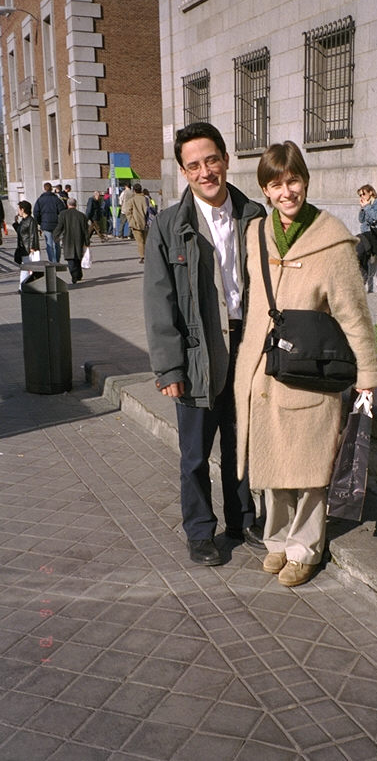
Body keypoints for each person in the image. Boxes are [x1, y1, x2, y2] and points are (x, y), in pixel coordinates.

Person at [234, 141, 377, 587]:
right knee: (273, 465)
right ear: (265, 189)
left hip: (310, 374)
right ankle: (277, 541)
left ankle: (305, 548)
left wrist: (367, 374)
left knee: (311, 469)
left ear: (305, 181)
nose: (286, 192)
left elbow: (354, 312)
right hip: (262, 370)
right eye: (276, 184)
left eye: (293, 180)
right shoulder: (256, 233)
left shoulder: (332, 238)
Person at [143, 122, 267, 567]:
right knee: (195, 453)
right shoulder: (169, 225)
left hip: (248, 348)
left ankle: (242, 521)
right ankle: (200, 531)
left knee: (240, 444)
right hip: (198, 354)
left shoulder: (253, 214)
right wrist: (169, 368)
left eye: (211, 160)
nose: (204, 171)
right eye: (193, 165)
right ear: (183, 171)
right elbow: (159, 299)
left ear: (226, 159)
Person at [355, 184, 377, 293]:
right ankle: (361, 284)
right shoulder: (367, 204)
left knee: (357, 244)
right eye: (360, 195)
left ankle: (361, 283)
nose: (362, 196)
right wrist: (362, 208)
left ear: (370, 192)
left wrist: (366, 207)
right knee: (362, 257)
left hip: (374, 235)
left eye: (364, 193)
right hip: (366, 235)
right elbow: (361, 220)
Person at [53, 198, 90, 284]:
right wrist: (87, 241)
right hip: (79, 239)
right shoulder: (82, 215)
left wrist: (55, 236)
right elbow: (85, 230)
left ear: (67, 204)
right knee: (78, 257)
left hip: (68, 239)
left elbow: (60, 227)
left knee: (70, 259)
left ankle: (74, 275)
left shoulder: (63, 214)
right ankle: (78, 274)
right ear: (76, 205)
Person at [33, 182, 65, 262]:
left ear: (44, 189)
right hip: (56, 224)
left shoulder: (40, 200)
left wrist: (39, 223)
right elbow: (62, 211)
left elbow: (36, 213)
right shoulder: (56, 199)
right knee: (57, 243)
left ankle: (52, 261)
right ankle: (57, 260)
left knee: (49, 244)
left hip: (45, 224)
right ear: (51, 189)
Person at [13, 201, 40, 290]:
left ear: (23, 209)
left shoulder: (31, 220)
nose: (18, 211)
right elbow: (21, 232)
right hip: (23, 248)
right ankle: (23, 286)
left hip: (28, 249)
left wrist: (32, 247)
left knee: (26, 269)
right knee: (24, 268)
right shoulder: (23, 221)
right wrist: (15, 224)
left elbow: (33, 234)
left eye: (19, 209)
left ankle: (23, 287)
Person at [125, 184, 148, 263]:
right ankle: (148, 255)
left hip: (136, 223)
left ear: (134, 190)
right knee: (146, 240)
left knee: (140, 241)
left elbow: (127, 211)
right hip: (146, 222)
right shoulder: (146, 199)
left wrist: (131, 221)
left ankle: (142, 256)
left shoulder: (132, 200)